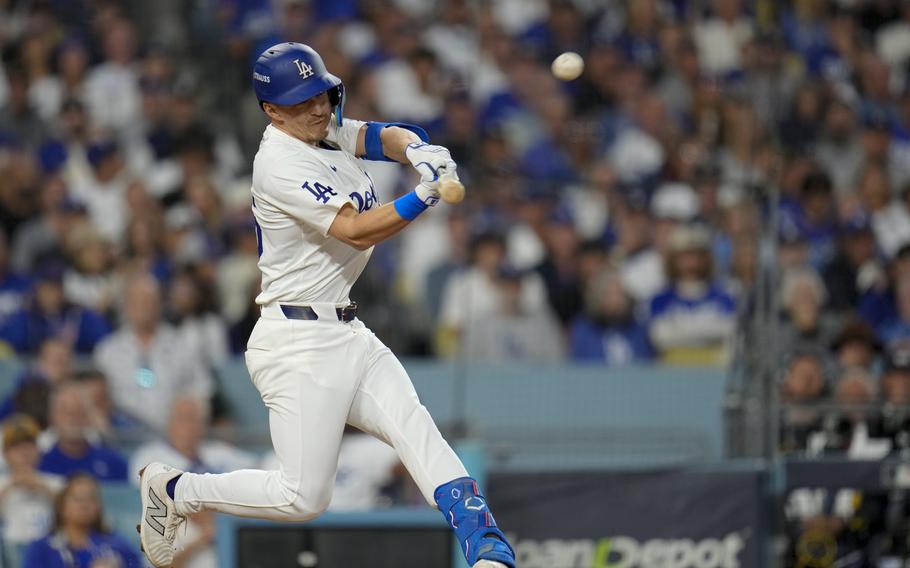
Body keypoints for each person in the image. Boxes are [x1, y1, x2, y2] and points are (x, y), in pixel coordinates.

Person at [137, 43, 515, 568]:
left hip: (345, 328)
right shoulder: (278, 161)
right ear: (272, 111)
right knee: (303, 499)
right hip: (295, 342)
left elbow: (378, 135)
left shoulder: (320, 124)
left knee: (414, 425)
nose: (318, 107)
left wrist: (417, 152)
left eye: (321, 93)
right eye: (302, 101)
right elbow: (356, 232)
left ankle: (485, 543)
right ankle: (177, 490)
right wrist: (422, 196)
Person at [94, 272, 213, 433]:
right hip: (122, 439)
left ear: (160, 304)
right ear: (125, 306)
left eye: (148, 301)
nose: (143, 307)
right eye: (136, 301)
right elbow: (97, 402)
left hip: (173, 438)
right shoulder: (107, 351)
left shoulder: (182, 346)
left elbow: (202, 393)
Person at [22, 473, 141, 568]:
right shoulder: (41, 549)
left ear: (99, 507)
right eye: (78, 499)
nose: (85, 505)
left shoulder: (117, 545)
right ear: (61, 505)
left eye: (91, 499)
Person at [0, 414, 63, 567]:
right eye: (16, 447)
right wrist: (9, 488)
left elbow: (76, 517)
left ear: (38, 450)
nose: (24, 452)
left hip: (49, 555)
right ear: (6, 454)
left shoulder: (57, 483)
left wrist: (43, 488)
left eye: (30, 445)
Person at [38, 382, 128, 482]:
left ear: (89, 418)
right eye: (66, 412)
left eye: (80, 412)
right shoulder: (38, 463)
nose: (73, 418)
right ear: (52, 416)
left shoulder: (114, 462)